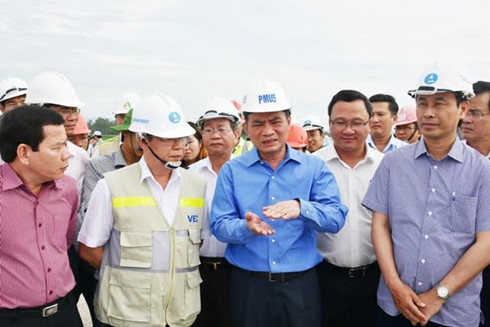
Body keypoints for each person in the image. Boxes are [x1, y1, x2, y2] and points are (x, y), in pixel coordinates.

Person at [210, 80, 348, 327]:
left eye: (275, 121)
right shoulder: (232, 171)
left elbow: (336, 218)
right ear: (246, 127)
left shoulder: (314, 168)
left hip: (300, 287)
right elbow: (219, 225)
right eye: (258, 123)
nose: (268, 131)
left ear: (289, 121)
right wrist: (246, 227)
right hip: (249, 287)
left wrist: (302, 208)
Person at [362, 61, 490, 327]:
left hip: (454, 314)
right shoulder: (393, 164)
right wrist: (394, 285)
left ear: (462, 108)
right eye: (422, 103)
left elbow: (486, 243)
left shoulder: (482, 171)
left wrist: (439, 295)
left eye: (440, 103)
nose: (428, 113)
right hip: (395, 308)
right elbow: (380, 226)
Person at [78, 93, 206, 327]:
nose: (180, 147)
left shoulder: (197, 185)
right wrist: (127, 279)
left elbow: (199, 243)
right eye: (169, 139)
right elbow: (89, 249)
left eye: (182, 138)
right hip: (127, 315)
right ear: (143, 139)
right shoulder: (111, 185)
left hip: (180, 316)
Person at [0, 105, 83, 326]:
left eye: (66, 144)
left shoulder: (68, 189)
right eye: (57, 148)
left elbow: (64, 242)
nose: (68, 154)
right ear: (24, 153)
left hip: (65, 313)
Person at [314, 90, 384, 327]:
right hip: (324, 278)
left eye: (356, 123)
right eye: (340, 122)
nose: (348, 130)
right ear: (329, 124)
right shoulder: (312, 166)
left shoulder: (386, 166)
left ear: (369, 123)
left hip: (376, 277)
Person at [78, 108, 143, 327]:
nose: (148, 142)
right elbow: (94, 225)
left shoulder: (159, 169)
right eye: (143, 136)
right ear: (128, 134)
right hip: (110, 274)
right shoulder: (100, 167)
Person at [190, 96, 241, 327]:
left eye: (222, 129)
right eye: (208, 130)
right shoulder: (188, 176)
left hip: (236, 270)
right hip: (196, 270)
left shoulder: (248, 175)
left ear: (237, 134)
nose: (215, 135)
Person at [460, 80, 490, 327]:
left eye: (476, 113)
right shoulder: (447, 159)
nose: (466, 119)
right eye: (464, 111)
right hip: (455, 274)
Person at [92, 92, 140, 158]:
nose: (125, 121)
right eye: (122, 116)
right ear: (115, 118)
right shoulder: (101, 149)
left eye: (130, 117)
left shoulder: (149, 149)